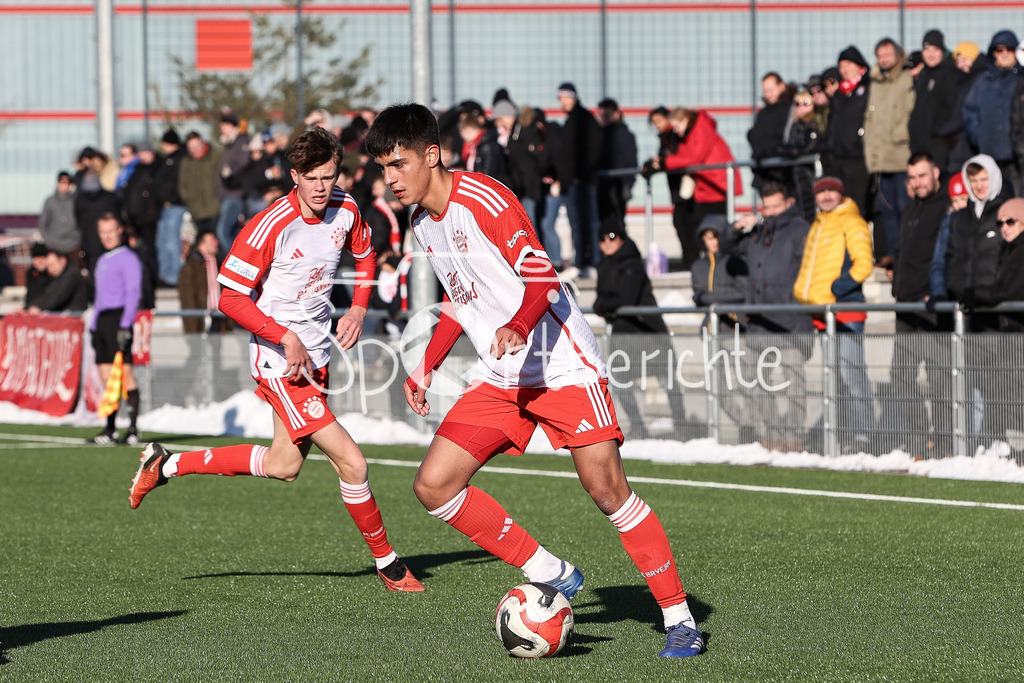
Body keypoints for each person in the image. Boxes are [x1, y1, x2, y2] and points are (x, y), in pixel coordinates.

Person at [364, 103, 704, 658]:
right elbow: (461, 298)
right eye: (384, 168)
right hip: (504, 375)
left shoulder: (485, 199)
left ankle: (680, 618)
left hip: (562, 365)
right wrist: (427, 362)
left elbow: (543, 275)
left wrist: (519, 327)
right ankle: (551, 571)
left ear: (432, 155)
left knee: (607, 491)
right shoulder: (424, 223)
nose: (391, 178)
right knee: (434, 486)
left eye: (399, 164)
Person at [127, 127, 424, 593]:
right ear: (294, 176)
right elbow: (230, 297)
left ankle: (166, 465)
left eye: (329, 176)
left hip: (317, 354)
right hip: (279, 361)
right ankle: (389, 565)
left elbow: (366, 257)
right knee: (353, 463)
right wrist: (283, 336)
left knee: (284, 465)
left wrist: (360, 306)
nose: (322, 187)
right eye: (313, 178)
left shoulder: (346, 208)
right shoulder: (270, 225)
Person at [721, 182, 813, 451]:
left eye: (776, 205)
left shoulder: (799, 229)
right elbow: (725, 246)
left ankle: (794, 439)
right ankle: (772, 436)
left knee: (795, 384)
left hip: (790, 321)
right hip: (759, 323)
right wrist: (738, 227)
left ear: (788, 203)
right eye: (766, 206)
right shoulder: (757, 232)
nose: (771, 212)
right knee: (760, 384)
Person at [793, 176, 876, 452]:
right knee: (834, 376)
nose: (827, 196)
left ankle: (864, 435)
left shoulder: (852, 221)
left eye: (832, 191)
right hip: (823, 313)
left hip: (845, 312)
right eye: (822, 192)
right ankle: (840, 430)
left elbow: (864, 263)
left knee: (852, 374)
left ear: (841, 194)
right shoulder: (818, 224)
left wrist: (837, 288)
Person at [591, 215, 691, 440]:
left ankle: (682, 425)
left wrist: (608, 305)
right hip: (623, 335)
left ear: (623, 239)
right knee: (619, 381)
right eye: (601, 238)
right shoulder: (603, 266)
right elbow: (599, 302)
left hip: (649, 333)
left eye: (612, 237)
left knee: (667, 380)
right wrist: (608, 306)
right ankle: (638, 426)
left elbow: (625, 298)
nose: (607, 242)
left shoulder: (633, 264)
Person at [881, 153, 952, 456]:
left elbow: (944, 255)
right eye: (912, 177)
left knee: (938, 376)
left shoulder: (944, 208)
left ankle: (947, 441)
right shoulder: (911, 208)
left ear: (936, 173)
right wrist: (896, 286)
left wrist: (935, 292)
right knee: (900, 374)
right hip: (906, 303)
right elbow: (902, 250)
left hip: (930, 305)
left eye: (922, 175)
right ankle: (920, 437)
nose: (917, 182)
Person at [648, 107, 741, 272]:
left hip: (716, 187)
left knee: (716, 229)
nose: (675, 131)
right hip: (703, 189)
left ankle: (722, 264)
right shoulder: (687, 136)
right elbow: (684, 157)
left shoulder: (701, 130)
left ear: (684, 121)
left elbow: (694, 158)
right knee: (694, 227)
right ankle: (698, 264)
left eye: (676, 127)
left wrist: (664, 163)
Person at [90, 213, 143, 446]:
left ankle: (132, 429)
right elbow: (99, 297)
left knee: (125, 373)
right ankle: (110, 429)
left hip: (118, 318)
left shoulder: (128, 258)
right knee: (105, 375)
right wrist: (93, 326)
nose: (107, 236)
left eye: (111, 231)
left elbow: (134, 292)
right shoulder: (102, 259)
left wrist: (125, 324)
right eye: (103, 232)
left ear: (120, 230)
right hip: (102, 320)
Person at [863, 37, 915, 265]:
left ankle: (907, 251)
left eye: (887, 55)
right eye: (880, 56)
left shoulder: (906, 78)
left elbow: (910, 112)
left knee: (905, 207)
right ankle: (893, 253)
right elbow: (870, 117)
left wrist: (900, 134)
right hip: (880, 157)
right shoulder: (875, 82)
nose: (883, 60)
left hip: (901, 154)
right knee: (886, 210)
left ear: (897, 55)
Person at [963, 30, 1023, 194]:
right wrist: (978, 136)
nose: (1004, 54)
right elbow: (970, 111)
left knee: (1017, 203)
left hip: (1016, 158)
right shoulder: (983, 81)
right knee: (994, 201)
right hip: (990, 155)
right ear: (993, 53)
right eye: (999, 50)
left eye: (1008, 49)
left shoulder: (1021, 80)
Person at [553, 82, 602, 278]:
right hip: (572, 183)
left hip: (583, 181)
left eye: (565, 97)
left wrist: (581, 173)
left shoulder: (584, 120)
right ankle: (581, 261)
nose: (563, 102)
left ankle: (591, 262)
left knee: (587, 223)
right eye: (560, 99)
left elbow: (592, 151)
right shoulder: (571, 121)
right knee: (576, 223)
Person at [825, 46, 872, 221]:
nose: (844, 69)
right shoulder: (840, 93)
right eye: (841, 65)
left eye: (848, 64)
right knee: (838, 209)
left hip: (858, 158)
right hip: (838, 157)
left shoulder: (869, 87)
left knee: (856, 209)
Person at [909, 30, 961, 172]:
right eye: (927, 49)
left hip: (938, 146)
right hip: (918, 145)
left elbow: (952, 110)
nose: (930, 54)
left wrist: (938, 132)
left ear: (942, 51)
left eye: (935, 49)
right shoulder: (923, 74)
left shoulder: (950, 74)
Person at [747, 72, 795, 191]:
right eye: (765, 91)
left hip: (783, 171)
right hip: (763, 171)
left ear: (782, 86)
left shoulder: (791, 109)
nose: (768, 94)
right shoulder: (764, 113)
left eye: (770, 90)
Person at [153, 128, 189, 286]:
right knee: (162, 242)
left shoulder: (181, 159)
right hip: (166, 208)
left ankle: (174, 276)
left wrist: (172, 198)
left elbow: (182, 183)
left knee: (172, 242)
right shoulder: (166, 160)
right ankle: (164, 274)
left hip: (176, 206)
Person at [596, 98, 638, 224]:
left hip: (617, 186)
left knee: (616, 223)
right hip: (600, 186)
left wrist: (628, 184)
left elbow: (631, 160)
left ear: (616, 114)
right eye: (601, 115)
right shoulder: (598, 135)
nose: (603, 118)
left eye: (606, 115)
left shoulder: (623, 134)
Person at [215, 112, 251, 250]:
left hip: (234, 194)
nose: (222, 129)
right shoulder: (229, 144)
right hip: (227, 195)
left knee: (223, 232)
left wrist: (230, 174)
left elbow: (243, 164)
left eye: (225, 125)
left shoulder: (241, 142)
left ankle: (234, 264)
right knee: (232, 233)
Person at [178, 131, 222, 239]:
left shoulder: (215, 156)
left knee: (217, 240)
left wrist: (218, 198)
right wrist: (189, 200)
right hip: (196, 211)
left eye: (196, 145)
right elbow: (182, 185)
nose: (194, 149)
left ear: (202, 143)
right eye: (191, 147)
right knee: (202, 243)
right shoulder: (186, 162)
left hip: (215, 208)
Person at [26, 248, 88, 314]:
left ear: (62, 261)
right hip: (67, 315)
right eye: (48, 266)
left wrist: (38, 307)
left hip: (75, 316)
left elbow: (57, 297)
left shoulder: (71, 275)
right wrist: (28, 307)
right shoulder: (59, 276)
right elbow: (47, 295)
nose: (50, 270)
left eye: (52, 265)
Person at [38, 171, 80, 256]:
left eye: (67, 183)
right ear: (58, 183)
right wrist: (49, 241)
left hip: (74, 246)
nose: (64, 185)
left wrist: (78, 239)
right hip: (55, 246)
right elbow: (43, 224)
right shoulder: (50, 201)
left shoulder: (76, 201)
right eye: (62, 182)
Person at [24, 242, 51, 308]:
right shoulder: (31, 273)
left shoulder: (52, 274)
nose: (40, 261)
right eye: (37, 258)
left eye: (43, 257)